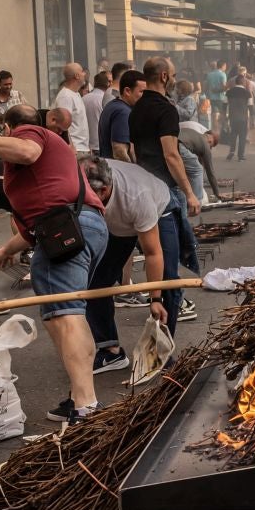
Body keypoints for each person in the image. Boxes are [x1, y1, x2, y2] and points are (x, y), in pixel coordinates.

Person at [0, 106, 111, 425]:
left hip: (68, 229)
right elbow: (34, 222)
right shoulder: (49, 161)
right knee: (67, 315)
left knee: (66, 316)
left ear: (10, 128)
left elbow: (26, 151)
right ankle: (81, 399)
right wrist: (6, 250)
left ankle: (86, 406)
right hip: (76, 228)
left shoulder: (30, 134)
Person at [77, 155, 177, 377]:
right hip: (116, 225)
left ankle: (162, 351)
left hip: (159, 208)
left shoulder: (136, 197)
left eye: (87, 197)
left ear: (103, 190)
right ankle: (110, 350)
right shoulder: (81, 178)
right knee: (96, 283)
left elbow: (152, 253)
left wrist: (155, 298)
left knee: (168, 281)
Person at [133, 59, 204, 283]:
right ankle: (173, 301)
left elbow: (134, 150)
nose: (174, 79)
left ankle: (163, 297)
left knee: (156, 248)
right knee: (172, 248)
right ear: (164, 76)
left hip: (144, 184)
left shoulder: (136, 108)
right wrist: (190, 193)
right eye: (172, 75)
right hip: (166, 189)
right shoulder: (165, 109)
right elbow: (171, 154)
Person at [100, 67, 143, 162]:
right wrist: (134, 171)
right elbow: (119, 152)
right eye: (141, 91)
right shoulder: (123, 112)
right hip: (118, 172)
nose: (144, 96)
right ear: (127, 91)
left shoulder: (113, 106)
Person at [52, 62, 92, 157]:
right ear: (77, 76)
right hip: (75, 151)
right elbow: (63, 125)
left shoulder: (76, 94)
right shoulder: (65, 96)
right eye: (82, 71)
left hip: (82, 148)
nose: (84, 74)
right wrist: (71, 147)